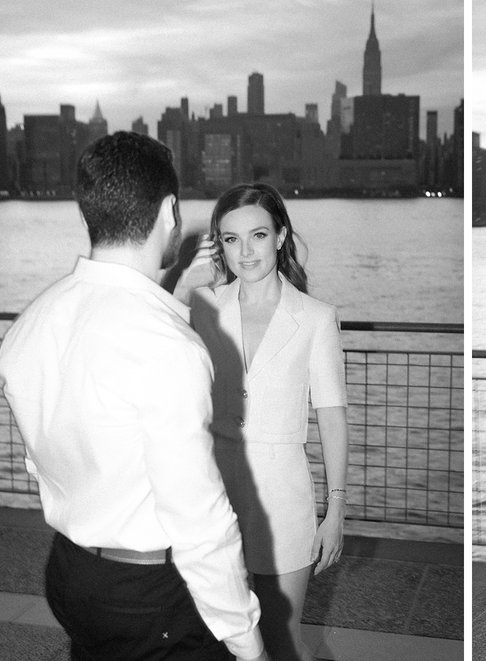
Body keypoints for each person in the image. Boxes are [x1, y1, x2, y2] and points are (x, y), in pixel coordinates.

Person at [0, 132, 268, 660]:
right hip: (150, 597)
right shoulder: (167, 346)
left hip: (72, 572)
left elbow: (48, 457)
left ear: (90, 211)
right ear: (169, 211)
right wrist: (247, 641)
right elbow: (199, 518)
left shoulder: (32, 324)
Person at [187, 183, 349, 661]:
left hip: (284, 499)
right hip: (212, 494)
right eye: (231, 239)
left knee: (280, 637)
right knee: (213, 634)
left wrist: (335, 509)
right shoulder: (202, 306)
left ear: (280, 236)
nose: (246, 251)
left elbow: (332, 415)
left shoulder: (316, 318)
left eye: (257, 235)